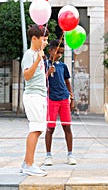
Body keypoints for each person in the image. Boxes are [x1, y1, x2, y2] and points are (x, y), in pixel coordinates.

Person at [20, 24, 49, 176]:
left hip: (39, 96)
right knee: (36, 129)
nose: (45, 43)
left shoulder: (38, 55)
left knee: (38, 129)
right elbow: (26, 76)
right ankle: (29, 165)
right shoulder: (30, 55)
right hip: (33, 96)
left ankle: (26, 162)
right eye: (43, 40)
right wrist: (38, 61)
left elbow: (37, 78)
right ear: (34, 38)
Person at [44, 39, 77, 166]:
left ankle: (70, 154)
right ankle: (48, 155)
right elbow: (41, 81)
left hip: (64, 99)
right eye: (57, 52)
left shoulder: (63, 66)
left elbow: (67, 82)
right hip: (51, 99)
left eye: (61, 53)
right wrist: (48, 73)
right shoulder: (45, 64)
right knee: (50, 128)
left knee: (67, 127)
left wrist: (71, 98)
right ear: (50, 50)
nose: (59, 55)